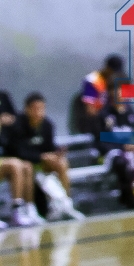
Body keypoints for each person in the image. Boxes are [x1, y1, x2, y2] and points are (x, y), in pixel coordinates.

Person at [5, 94, 83, 220]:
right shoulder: (17, 125)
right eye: (35, 109)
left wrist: (56, 154)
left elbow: (49, 148)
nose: (39, 112)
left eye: (42, 108)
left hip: (41, 162)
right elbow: (18, 152)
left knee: (62, 163)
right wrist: (41, 156)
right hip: (24, 163)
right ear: (27, 109)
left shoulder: (47, 125)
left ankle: (66, 203)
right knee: (27, 167)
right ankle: (29, 209)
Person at [0, 88, 38, 226]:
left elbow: (13, 120)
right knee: (15, 164)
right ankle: (17, 211)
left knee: (26, 166)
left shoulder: (4, 97)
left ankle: (26, 210)